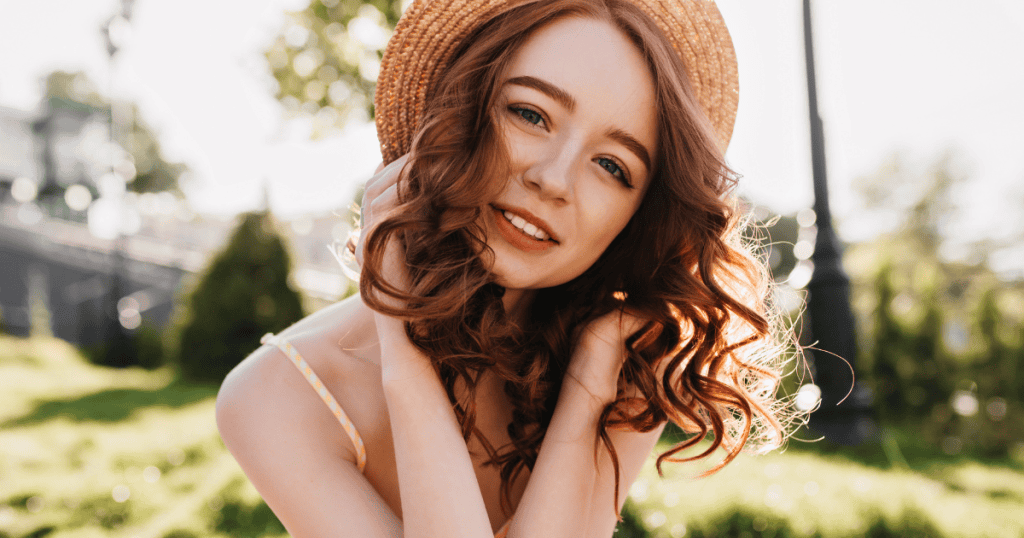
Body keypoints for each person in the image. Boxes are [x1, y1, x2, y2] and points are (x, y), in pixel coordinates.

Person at [216, 1, 802, 536]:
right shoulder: (277, 396)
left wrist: (589, 387)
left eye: (612, 165)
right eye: (530, 114)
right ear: (458, 112)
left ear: (639, 215)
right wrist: (404, 350)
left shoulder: (624, 367)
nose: (554, 178)